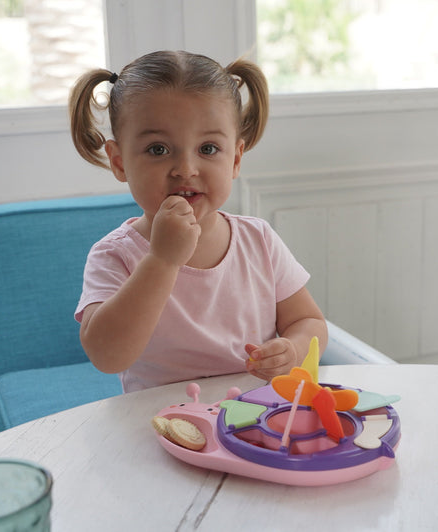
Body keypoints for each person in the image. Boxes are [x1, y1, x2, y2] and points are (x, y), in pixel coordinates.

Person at [69, 50, 327, 392]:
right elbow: (107, 356)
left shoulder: (258, 239)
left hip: (253, 421)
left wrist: (293, 349)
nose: (186, 169)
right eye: (158, 149)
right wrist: (162, 260)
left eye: (207, 149)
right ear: (119, 162)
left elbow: (309, 321)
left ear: (235, 159)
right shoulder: (115, 255)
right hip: (164, 424)